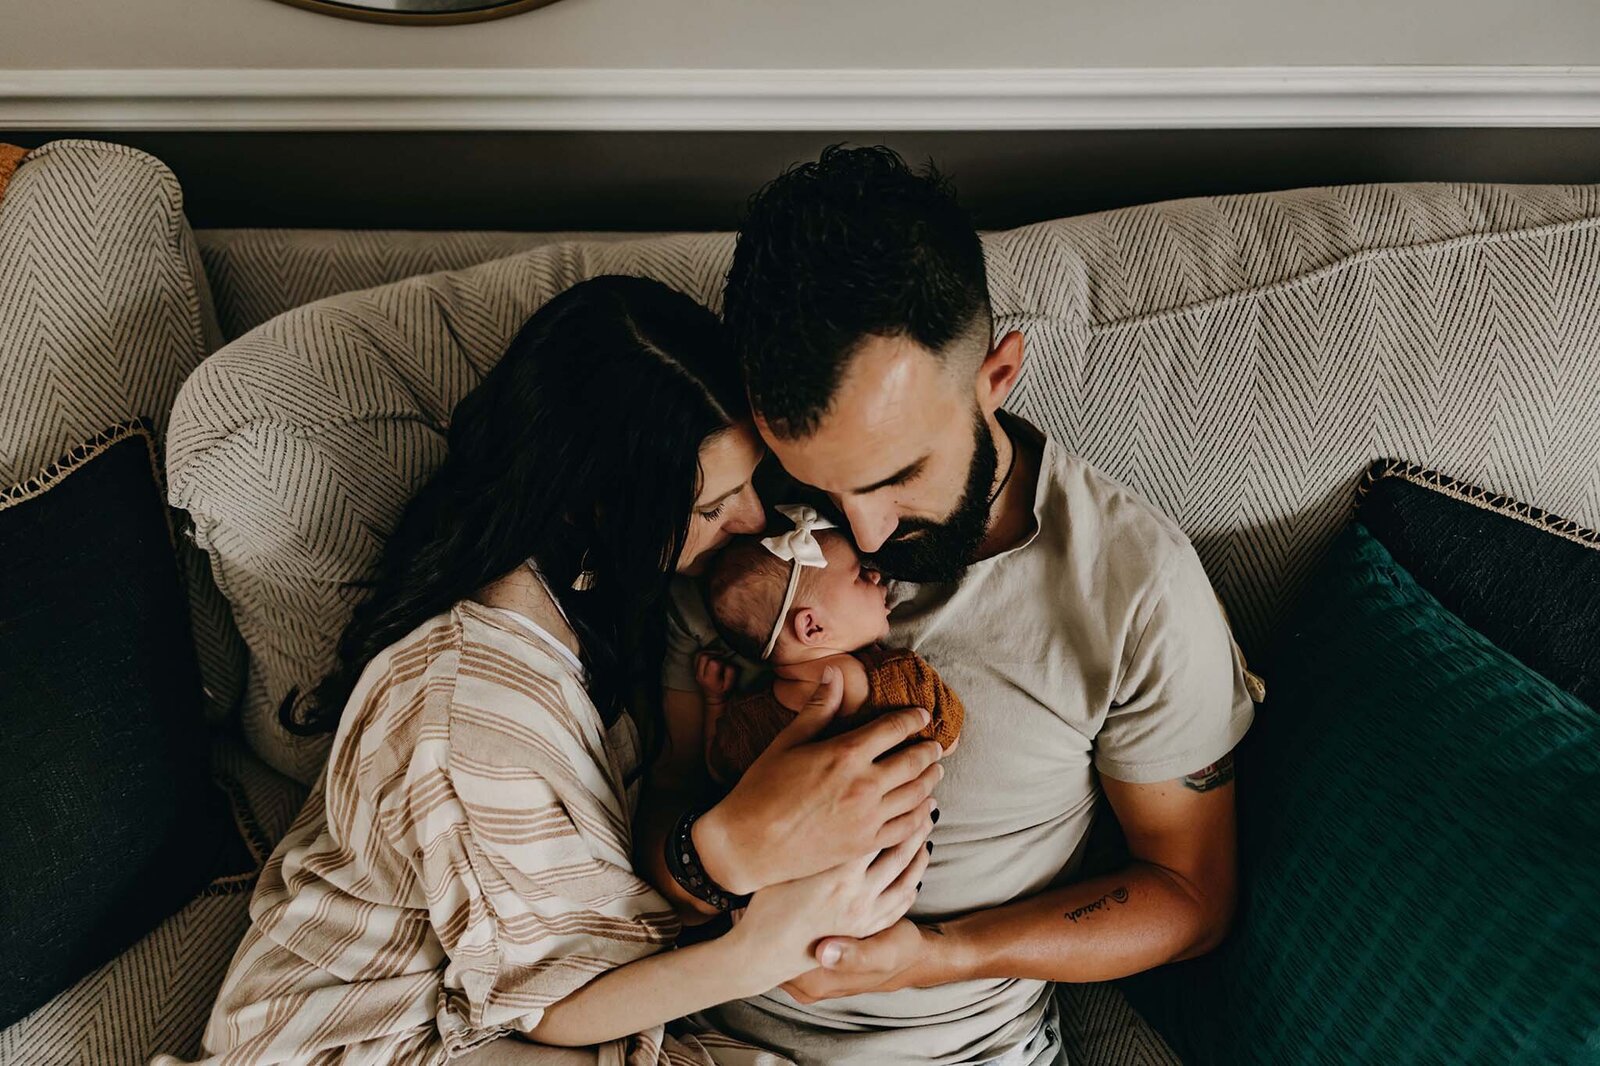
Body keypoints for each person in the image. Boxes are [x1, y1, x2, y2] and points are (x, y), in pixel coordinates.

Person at [159, 275, 946, 1066]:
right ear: (599, 506)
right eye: (713, 508)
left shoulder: (587, 590)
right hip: (371, 1038)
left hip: (496, 994)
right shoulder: (479, 711)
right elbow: (547, 1007)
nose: (752, 523)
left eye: (750, 488)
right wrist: (769, 947)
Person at [653, 147, 1263, 1066]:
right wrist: (719, 850)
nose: (860, 534)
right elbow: (656, 819)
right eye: (820, 484)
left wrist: (931, 958)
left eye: (899, 476)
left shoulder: (1131, 585)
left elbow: (1190, 896)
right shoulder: (740, 539)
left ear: (999, 377)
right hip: (701, 1035)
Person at [694, 505, 963, 784]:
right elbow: (948, 739)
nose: (875, 575)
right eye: (859, 575)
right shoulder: (902, 677)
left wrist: (715, 701)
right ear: (812, 627)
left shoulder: (752, 721)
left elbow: (719, 767)